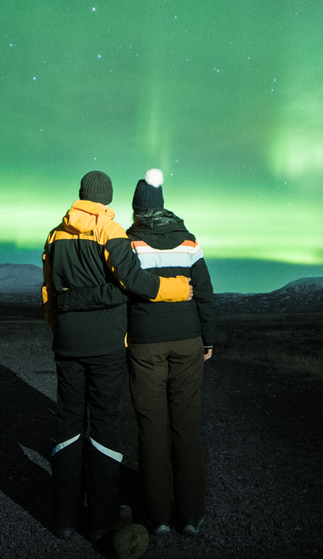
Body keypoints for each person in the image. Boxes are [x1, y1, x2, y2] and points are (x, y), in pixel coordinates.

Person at [41, 170, 192, 543]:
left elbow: (48, 290)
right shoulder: (111, 230)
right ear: (107, 197)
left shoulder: (54, 233)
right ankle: (101, 521)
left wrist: (58, 331)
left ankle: (63, 520)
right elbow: (133, 280)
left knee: (68, 427)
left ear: (80, 195)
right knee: (105, 427)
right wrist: (175, 288)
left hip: (68, 344)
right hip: (107, 345)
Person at [126, 168, 215, 538]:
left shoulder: (129, 243)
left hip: (145, 344)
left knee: (151, 428)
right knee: (187, 427)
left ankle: (158, 516)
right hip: (188, 343)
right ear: (162, 206)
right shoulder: (189, 242)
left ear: (136, 209)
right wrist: (207, 340)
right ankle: (191, 515)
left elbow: (122, 294)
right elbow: (206, 294)